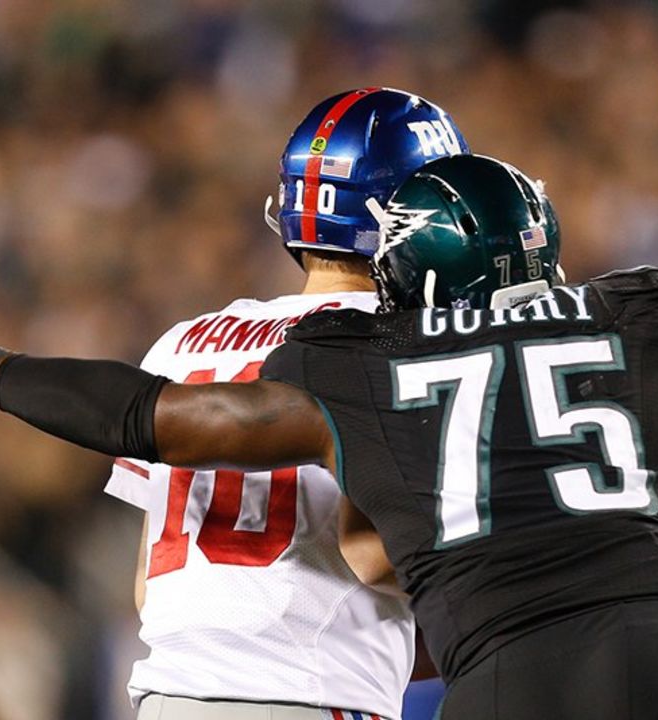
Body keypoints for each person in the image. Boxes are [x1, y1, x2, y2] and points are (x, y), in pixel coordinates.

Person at [0, 35, 658, 718]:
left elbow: (151, 425)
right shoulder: (615, 316)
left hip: (202, 685)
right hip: (606, 656)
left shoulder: (234, 343)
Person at [100, 87, 468, 720]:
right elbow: (388, 562)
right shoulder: (403, 347)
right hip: (313, 693)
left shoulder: (181, 341)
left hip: (169, 697)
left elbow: (146, 585)